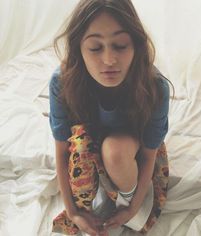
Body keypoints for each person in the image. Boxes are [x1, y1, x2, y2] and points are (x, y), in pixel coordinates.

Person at [49, 0, 171, 235]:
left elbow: (148, 154)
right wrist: (73, 212)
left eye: (120, 45)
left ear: (136, 45)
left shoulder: (154, 86)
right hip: (85, 142)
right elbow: (62, 150)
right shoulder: (62, 82)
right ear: (79, 49)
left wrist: (131, 208)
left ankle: (121, 195)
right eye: (95, 48)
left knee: (114, 152)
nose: (109, 60)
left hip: (130, 146)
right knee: (82, 149)